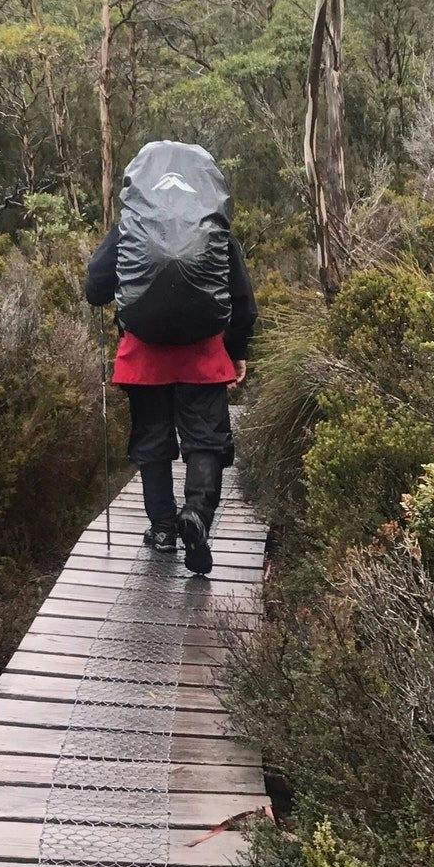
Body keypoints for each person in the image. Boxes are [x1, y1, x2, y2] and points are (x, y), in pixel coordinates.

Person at [84, 161, 256, 576]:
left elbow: (95, 287)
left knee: (153, 441)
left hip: (144, 355)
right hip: (203, 354)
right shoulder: (213, 227)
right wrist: (234, 351)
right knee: (206, 441)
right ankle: (196, 514)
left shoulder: (131, 225)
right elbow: (243, 302)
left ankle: (162, 528)